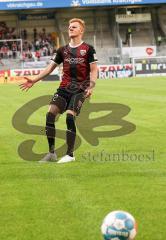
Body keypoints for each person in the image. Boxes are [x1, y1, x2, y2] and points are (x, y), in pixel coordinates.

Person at [19, 18, 98, 163]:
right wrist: (34, 80)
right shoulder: (62, 50)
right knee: (50, 115)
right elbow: (49, 69)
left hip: (80, 90)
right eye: (69, 27)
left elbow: (94, 70)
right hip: (63, 89)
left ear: (81, 30)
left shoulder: (88, 49)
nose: (71, 28)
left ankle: (70, 154)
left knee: (69, 116)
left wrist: (91, 86)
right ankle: (51, 153)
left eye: (74, 27)